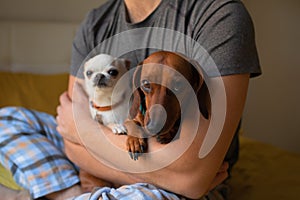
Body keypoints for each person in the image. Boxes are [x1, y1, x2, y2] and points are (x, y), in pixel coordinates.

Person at [0, 0, 261, 199]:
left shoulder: (220, 16)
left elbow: (193, 177)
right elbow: (70, 138)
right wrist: (171, 176)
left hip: (172, 186)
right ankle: (70, 194)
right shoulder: (96, 22)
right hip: (154, 161)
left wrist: (87, 136)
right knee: (8, 120)